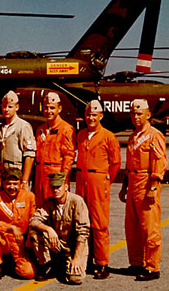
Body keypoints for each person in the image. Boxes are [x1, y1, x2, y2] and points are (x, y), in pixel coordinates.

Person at [119, 99, 167, 281]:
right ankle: (137, 262)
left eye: (139, 114)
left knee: (150, 228)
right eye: (133, 113)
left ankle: (152, 267)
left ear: (148, 115)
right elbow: (130, 163)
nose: (136, 117)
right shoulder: (133, 136)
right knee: (132, 228)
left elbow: (160, 161)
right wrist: (125, 186)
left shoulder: (154, 135)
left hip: (147, 182)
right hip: (132, 182)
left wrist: (153, 186)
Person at [75, 100, 121, 279]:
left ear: (101, 116)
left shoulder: (108, 136)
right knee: (82, 221)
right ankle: (86, 258)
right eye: (88, 115)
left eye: (94, 115)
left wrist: (105, 180)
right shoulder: (81, 135)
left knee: (99, 224)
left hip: (98, 180)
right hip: (81, 181)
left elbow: (116, 162)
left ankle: (102, 263)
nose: (91, 118)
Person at [29, 173, 90, 285]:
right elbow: (33, 220)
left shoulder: (76, 201)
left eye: (58, 187)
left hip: (74, 245)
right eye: (53, 187)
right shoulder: (49, 202)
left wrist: (76, 258)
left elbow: (83, 232)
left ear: (66, 186)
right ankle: (46, 264)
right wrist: (48, 229)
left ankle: (66, 264)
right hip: (58, 243)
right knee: (34, 233)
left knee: (75, 278)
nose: (55, 190)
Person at [0, 168, 36, 280]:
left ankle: (12, 263)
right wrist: (11, 228)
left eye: (15, 184)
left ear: (20, 183)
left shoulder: (29, 197)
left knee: (28, 273)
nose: (12, 187)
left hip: (20, 242)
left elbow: (34, 220)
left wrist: (28, 241)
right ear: (3, 183)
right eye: (8, 184)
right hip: (4, 240)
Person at [34, 92, 75, 206]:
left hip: (56, 175)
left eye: (52, 108)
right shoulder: (40, 130)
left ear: (59, 108)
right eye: (46, 108)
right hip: (40, 176)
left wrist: (63, 179)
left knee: (57, 209)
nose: (49, 111)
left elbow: (68, 157)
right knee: (40, 208)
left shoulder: (66, 129)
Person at [0, 90, 36, 187]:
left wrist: (24, 181)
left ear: (17, 107)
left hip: (17, 173)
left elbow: (29, 155)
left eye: (10, 107)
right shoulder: (0, 127)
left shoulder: (23, 126)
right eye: (4, 106)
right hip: (3, 174)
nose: (7, 110)